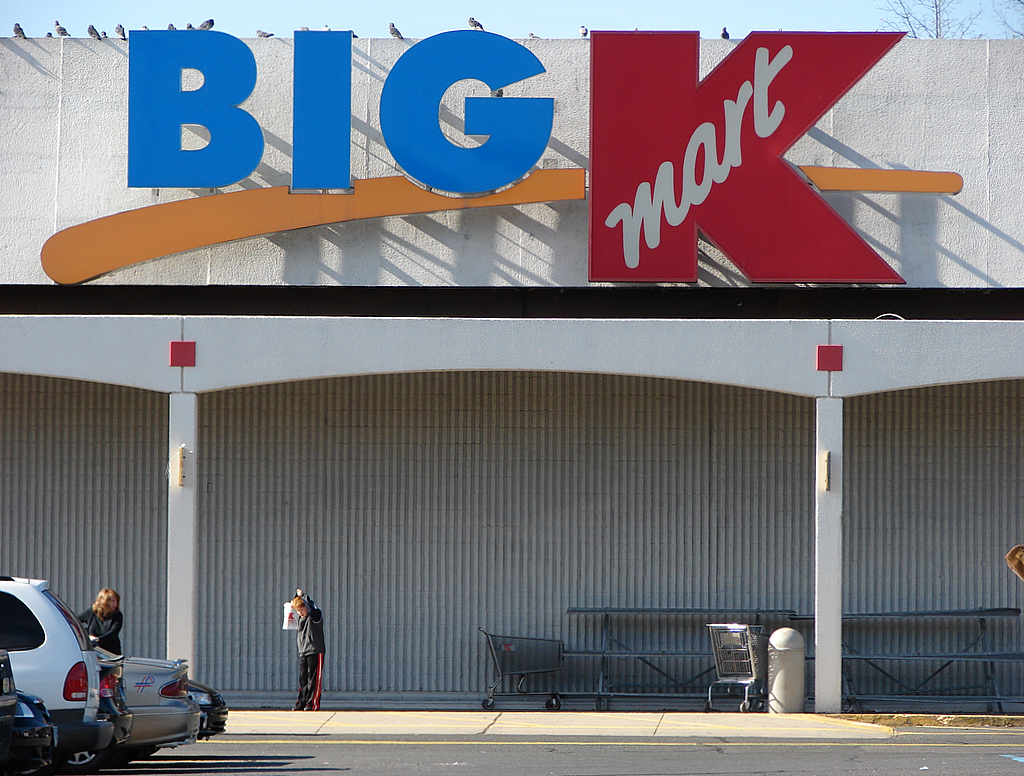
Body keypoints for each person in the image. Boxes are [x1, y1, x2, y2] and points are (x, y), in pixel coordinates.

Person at [291, 588, 325, 711]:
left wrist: (304, 596)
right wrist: (296, 596)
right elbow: (293, 603)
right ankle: (302, 701)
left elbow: (312, 609)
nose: (300, 613)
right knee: (303, 678)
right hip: (303, 651)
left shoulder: (314, 616)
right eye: (298, 611)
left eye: (301, 609)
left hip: (315, 650)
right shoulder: (301, 619)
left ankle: (312, 703)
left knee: (314, 678)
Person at [78, 588, 123, 654]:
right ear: (105, 601)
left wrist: (98, 639)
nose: (115, 604)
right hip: (94, 653)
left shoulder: (117, 615)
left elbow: (113, 632)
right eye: (113, 601)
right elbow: (74, 621)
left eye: (116, 601)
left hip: (112, 654)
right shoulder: (91, 612)